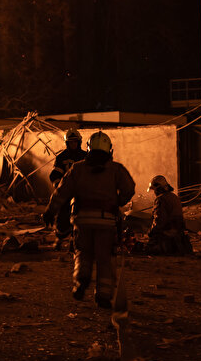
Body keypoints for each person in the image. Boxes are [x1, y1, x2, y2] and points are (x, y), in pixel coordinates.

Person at [43, 131, 135, 308]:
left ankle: (80, 280)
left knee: (82, 253)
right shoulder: (116, 169)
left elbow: (61, 192)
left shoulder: (77, 168)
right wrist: (118, 202)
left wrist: (50, 211)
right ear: (109, 149)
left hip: (82, 220)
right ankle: (103, 295)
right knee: (105, 259)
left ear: (88, 147)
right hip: (107, 221)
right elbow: (129, 189)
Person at [49, 129, 88, 244]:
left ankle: (77, 237)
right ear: (67, 143)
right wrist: (59, 186)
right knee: (62, 214)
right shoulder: (62, 157)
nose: (73, 144)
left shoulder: (86, 156)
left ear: (79, 142)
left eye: (75, 142)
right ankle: (60, 237)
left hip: (82, 191)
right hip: (67, 191)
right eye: (71, 142)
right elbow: (55, 175)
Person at [144, 175, 193, 255]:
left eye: (154, 190)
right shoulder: (174, 197)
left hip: (168, 237)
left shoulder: (160, 199)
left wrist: (150, 233)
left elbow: (159, 221)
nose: (154, 192)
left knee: (148, 248)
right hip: (180, 237)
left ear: (158, 188)